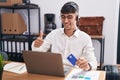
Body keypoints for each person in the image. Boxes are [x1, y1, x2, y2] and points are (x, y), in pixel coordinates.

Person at [31, 1, 97, 71]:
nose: (65, 21)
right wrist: (36, 45)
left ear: (77, 18)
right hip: (55, 71)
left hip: (74, 72)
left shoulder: (85, 38)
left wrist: (87, 65)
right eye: (63, 17)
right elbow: (39, 52)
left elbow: (93, 62)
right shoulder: (54, 34)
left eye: (69, 17)